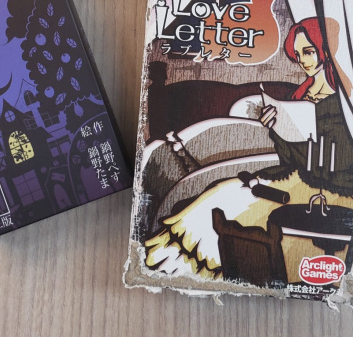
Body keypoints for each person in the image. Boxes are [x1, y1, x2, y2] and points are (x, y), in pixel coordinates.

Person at [145, 18, 353, 278]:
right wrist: (277, 127)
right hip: (296, 176)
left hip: (325, 189)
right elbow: (289, 156)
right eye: (298, 54)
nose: (303, 61)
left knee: (230, 202)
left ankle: (191, 267)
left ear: (326, 50)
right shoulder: (300, 95)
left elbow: (336, 160)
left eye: (309, 52)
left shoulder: (344, 101)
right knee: (221, 191)